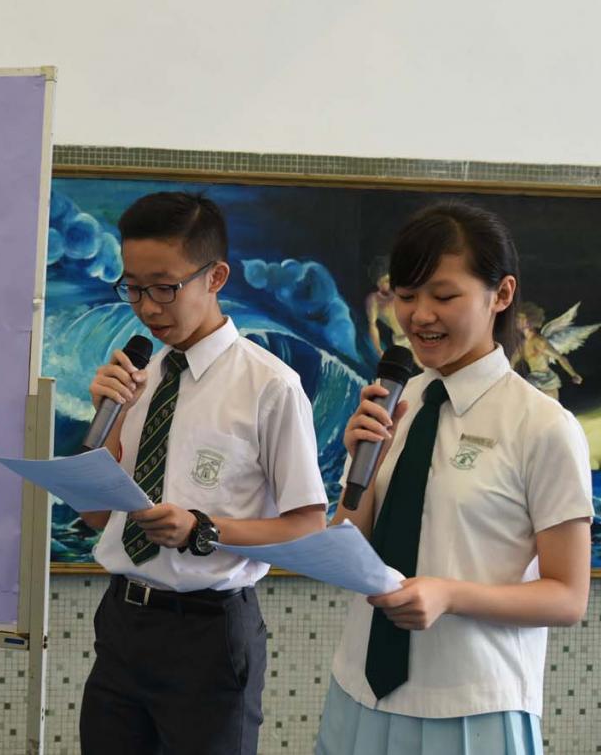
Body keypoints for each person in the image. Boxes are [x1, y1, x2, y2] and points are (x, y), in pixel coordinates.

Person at [316, 202, 592, 754]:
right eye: (406, 295)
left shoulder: (542, 426)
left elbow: (567, 597)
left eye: (443, 297)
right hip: (359, 691)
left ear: (502, 294)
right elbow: (350, 544)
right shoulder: (395, 402)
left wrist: (449, 594)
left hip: (472, 704)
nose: (420, 316)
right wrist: (363, 465)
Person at [79, 191, 328, 755]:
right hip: (122, 622)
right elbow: (96, 515)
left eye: (164, 287)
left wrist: (202, 529)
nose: (147, 308)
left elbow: (308, 529)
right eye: (132, 288)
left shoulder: (270, 386)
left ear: (215, 277)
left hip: (208, 632)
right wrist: (107, 417)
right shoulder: (138, 376)